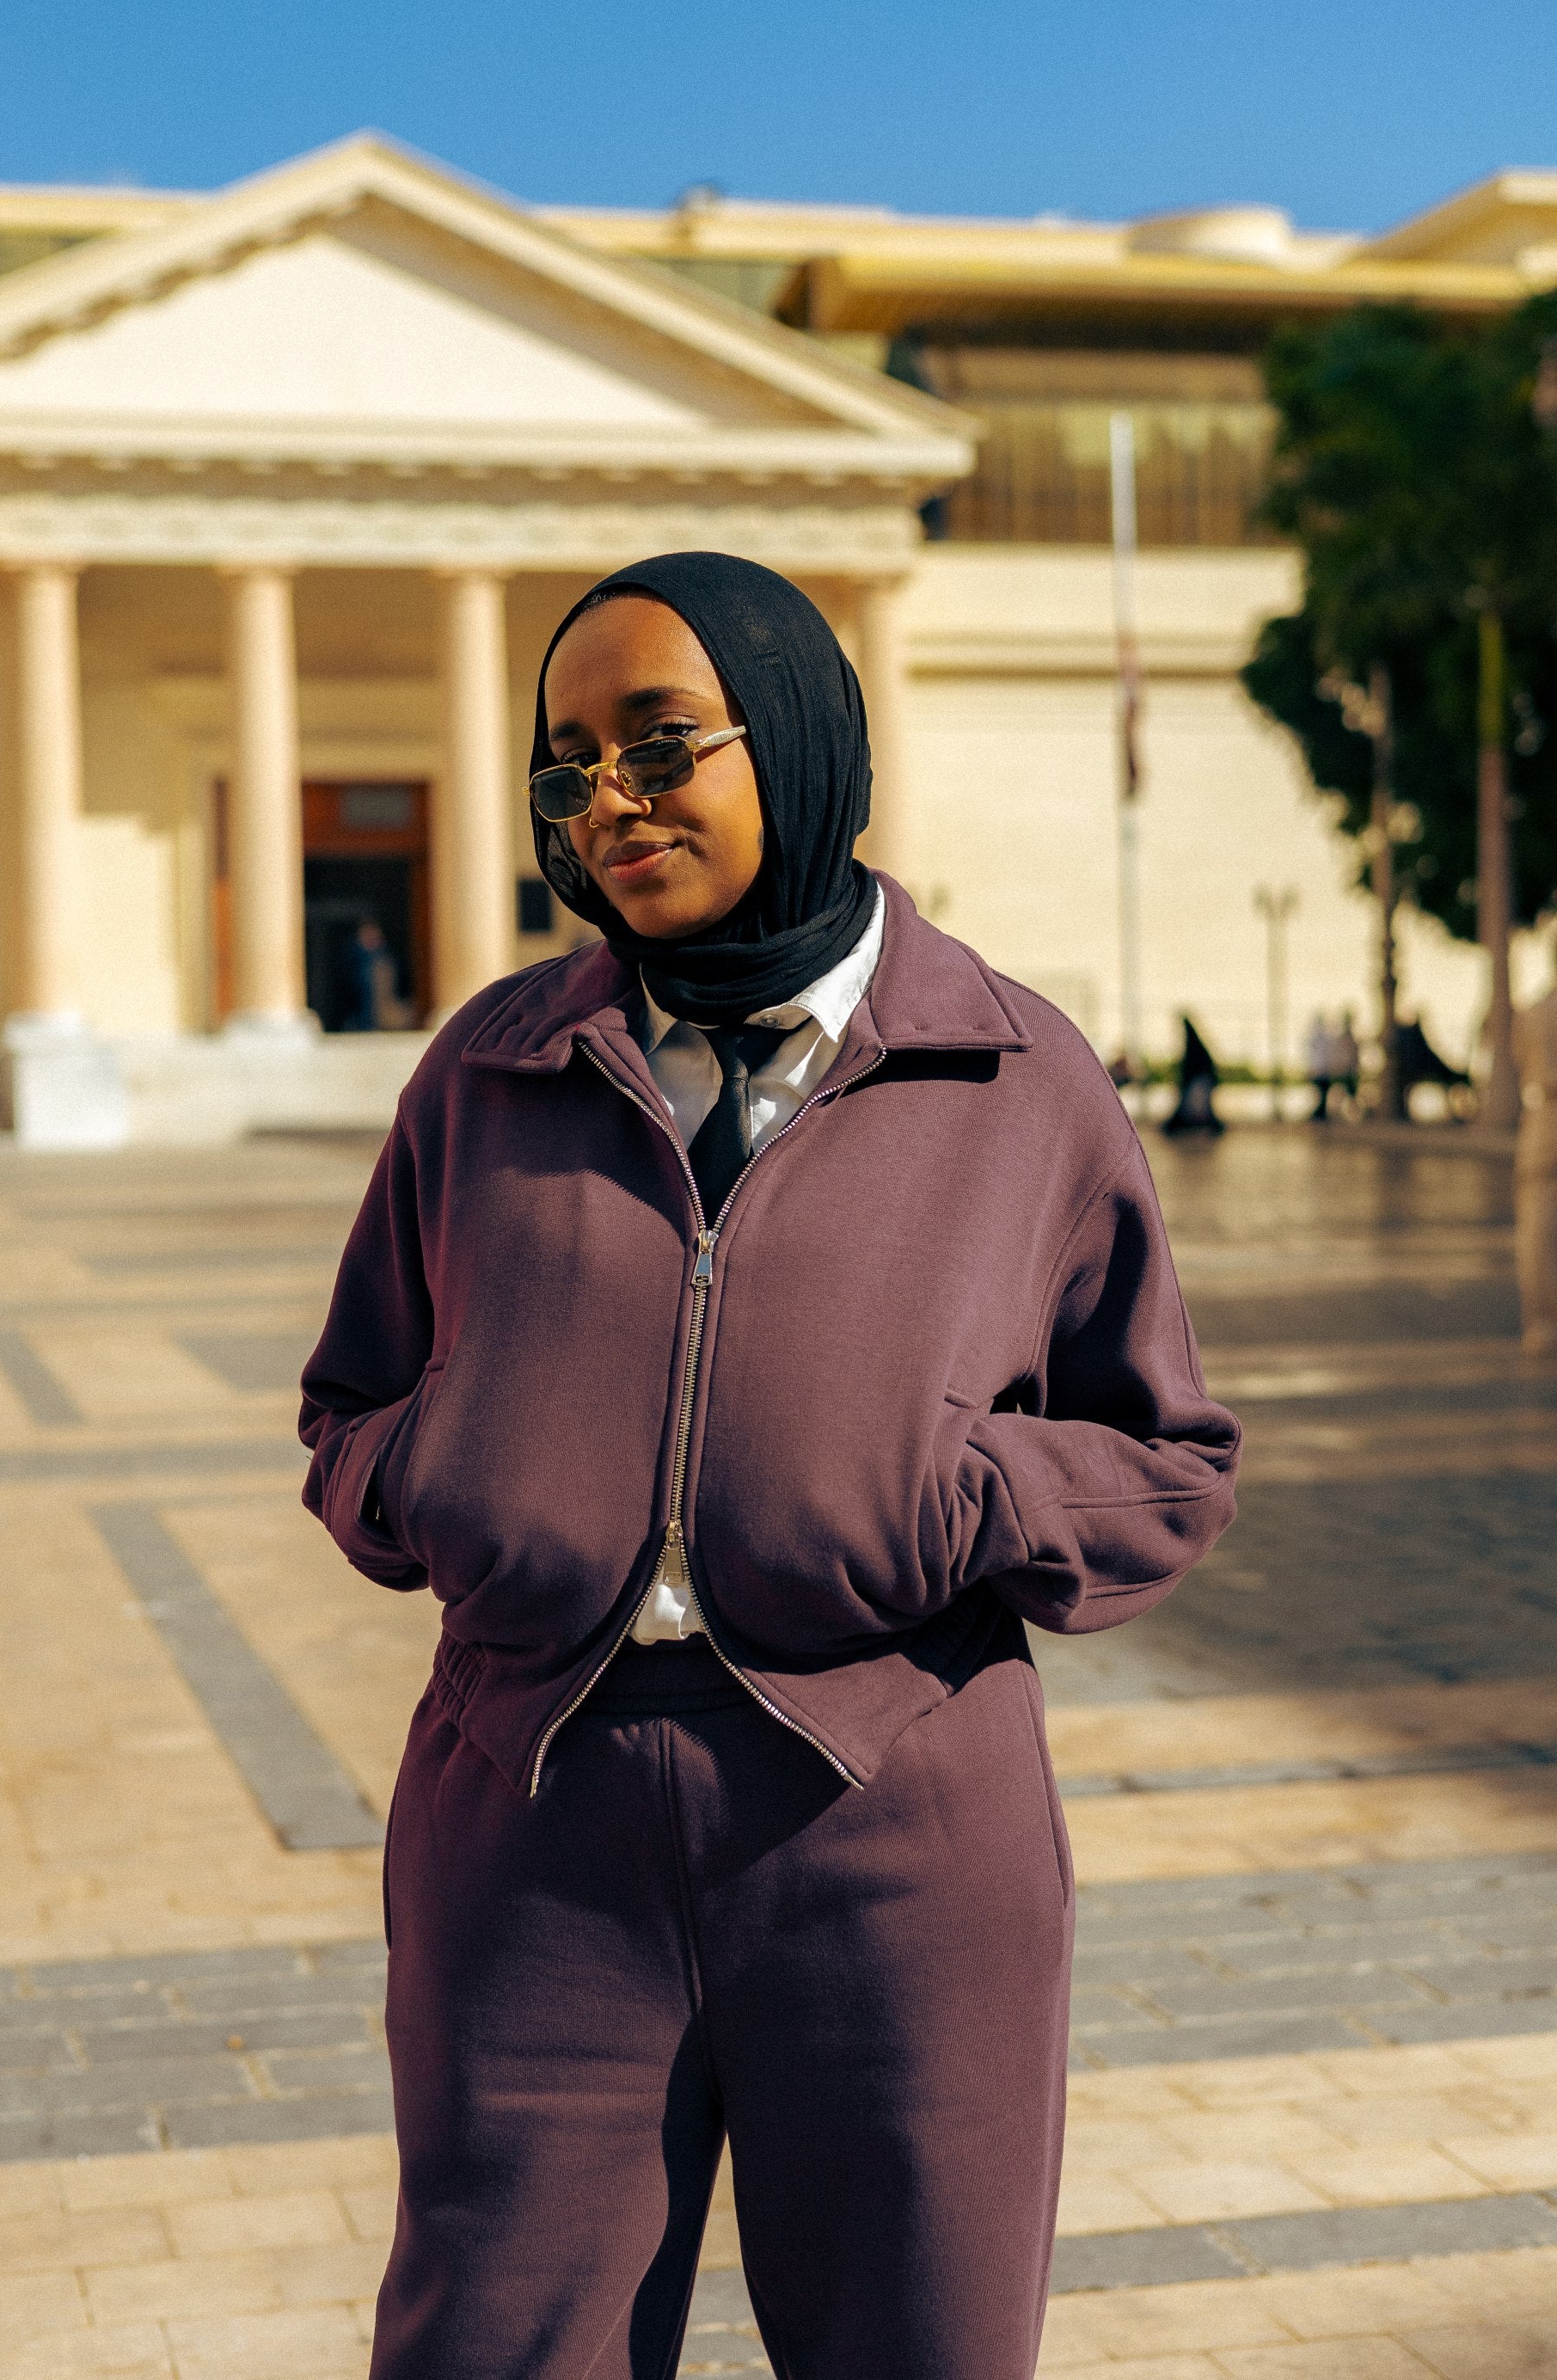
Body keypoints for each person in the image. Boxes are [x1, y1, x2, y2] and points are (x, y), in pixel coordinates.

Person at [300, 553, 1241, 2380]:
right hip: (528, 1816)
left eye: (660, 742)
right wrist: (462, 1477)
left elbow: (1167, 1457)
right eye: (566, 767)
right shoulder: (489, 1072)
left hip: (892, 1821)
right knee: (492, 2348)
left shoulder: (1013, 1076)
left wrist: (950, 1495)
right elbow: (350, 1403)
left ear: (797, 739)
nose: (610, 803)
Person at [1515, 977, 1557, 1354]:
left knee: (1538, 1229)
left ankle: (1542, 1324)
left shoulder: (1535, 1010)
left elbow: (1518, 1059)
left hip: (1543, 1118)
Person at [1162, 1014, 1224, 1137]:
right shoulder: (1197, 1046)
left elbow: (1192, 1067)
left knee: (1194, 1108)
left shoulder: (1193, 1048)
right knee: (1198, 1109)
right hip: (1201, 1081)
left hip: (1198, 1082)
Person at [341, 914, 398, 1031]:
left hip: (381, 1008)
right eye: (366, 934)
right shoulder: (353, 958)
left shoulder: (383, 957)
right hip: (360, 1013)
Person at [1305, 1011, 1336, 1122]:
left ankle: (1320, 1114)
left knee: (1322, 1093)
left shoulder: (1322, 1038)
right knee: (1321, 1094)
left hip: (1322, 1070)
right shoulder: (1319, 1039)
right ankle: (1319, 1114)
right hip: (1320, 1070)